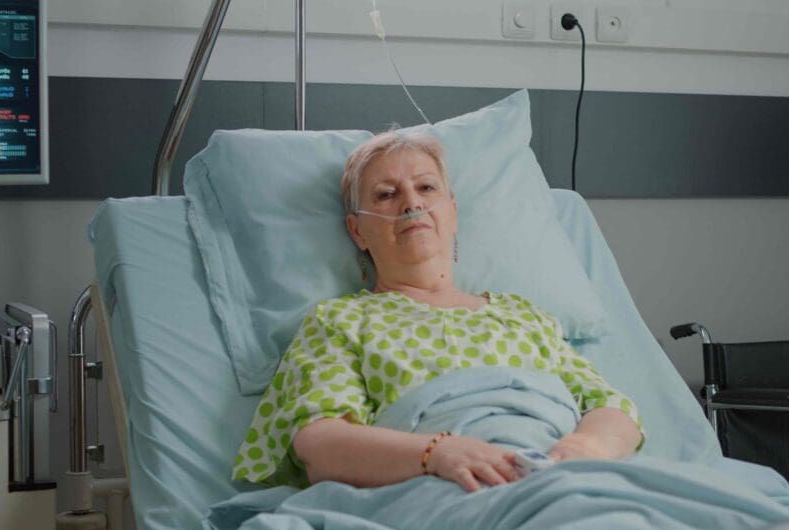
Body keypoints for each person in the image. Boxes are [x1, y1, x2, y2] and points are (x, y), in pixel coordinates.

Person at [233, 131, 643, 492]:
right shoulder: (341, 321)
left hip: (555, 477)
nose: (411, 203)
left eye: (426, 187)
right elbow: (320, 445)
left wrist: (586, 447)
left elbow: (612, 408)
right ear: (358, 230)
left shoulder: (525, 316)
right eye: (387, 194)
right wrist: (437, 453)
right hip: (436, 487)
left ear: (453, 212)